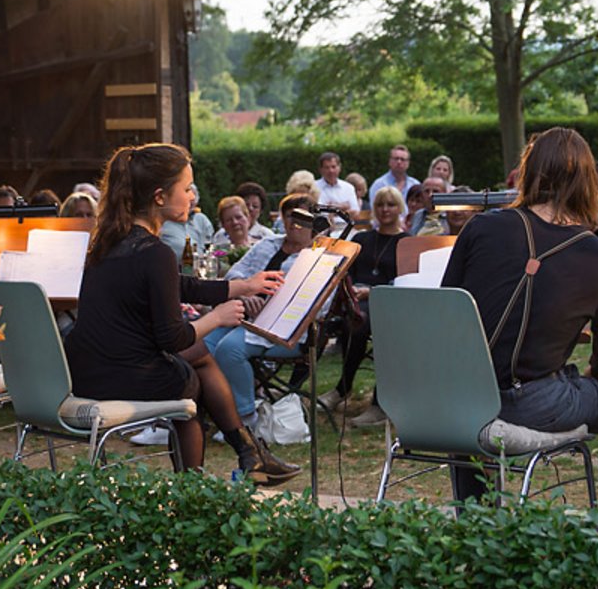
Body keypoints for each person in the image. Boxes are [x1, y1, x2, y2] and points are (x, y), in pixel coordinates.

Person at [443, 128, 598, 509]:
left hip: (457, 400)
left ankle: (477, 520)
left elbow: (448, 313)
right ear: (587, 181)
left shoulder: (481, 227)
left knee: (480, 384)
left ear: (528, 172)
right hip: (535, 405)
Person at [64, 143, 297, 482]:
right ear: (160, 196)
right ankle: (201, 483)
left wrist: (243, 285)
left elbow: (179, 286)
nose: (192, 196)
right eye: (186, 188)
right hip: (121, 375)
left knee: (198, 357)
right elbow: (171, 338)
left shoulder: (113, 240)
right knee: (189, 385)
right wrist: (217, 317)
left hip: (88, 369)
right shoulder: (153, 251)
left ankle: (247, 455)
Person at [205, 194, 321, 446]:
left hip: (285, 330)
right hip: (243, 314)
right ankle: (209, 411)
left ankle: (246, 418)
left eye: (300, 219)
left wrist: (269, 306)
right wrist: (246, 292)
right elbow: (237, 271)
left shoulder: (318, 258)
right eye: (288, 217)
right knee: (201, 345)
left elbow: (317, 307)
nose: (293, 224)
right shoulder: (268, 244)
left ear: (314, 222)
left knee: (229, 350)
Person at [318, 185, 409, 427]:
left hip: (390, 302)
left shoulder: (406, 242)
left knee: (372, 326)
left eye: (390, 204)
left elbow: (405, 279)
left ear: (399, 208)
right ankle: (342, 389)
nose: (385, 209)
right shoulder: (362, 238)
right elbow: (346, 271)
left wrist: (372, 291)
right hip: (356, 302)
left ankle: (375, 401)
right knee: (355, 323)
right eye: (380, 204)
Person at [316, 152, 361, 217]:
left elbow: (355, 212)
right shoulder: (314, 187)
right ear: (320, 170)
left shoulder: (348, 187)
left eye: (333, 167)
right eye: (327, 167)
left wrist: (332, 208)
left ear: (339, 167)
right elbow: (320, 213)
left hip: (347, 226)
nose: (331, 170)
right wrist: (344, 206)